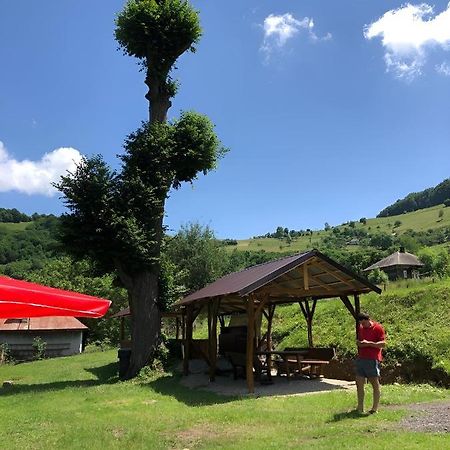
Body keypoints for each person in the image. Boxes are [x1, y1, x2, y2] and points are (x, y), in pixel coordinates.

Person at [355, 312, 386, 414]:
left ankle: (374, 408)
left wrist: (369, 343)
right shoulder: (360, 328)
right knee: (359, 384)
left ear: (368, 320)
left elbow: (383, 344)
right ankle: (360, 408)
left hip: (372, 359)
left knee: (375, 384)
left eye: (363, 323)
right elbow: (360, 342)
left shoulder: (378, 328)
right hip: (361, 359)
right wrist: (360, 344)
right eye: (361, 324)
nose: (362, 325)